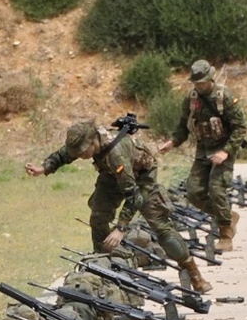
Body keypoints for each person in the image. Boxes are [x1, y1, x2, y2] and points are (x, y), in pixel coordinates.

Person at [30, 118, 212, 292]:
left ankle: (193, 273)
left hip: (142, 177)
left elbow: (134, 196)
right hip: (111, 175)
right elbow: (65, 153)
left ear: (94, 141)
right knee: (98, 217)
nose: (82, 156)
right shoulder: (86, 142)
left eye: (84, 152)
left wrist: (120, 228)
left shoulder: (116, 154)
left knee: (162, 229)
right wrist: (44, 167)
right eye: (79, 153)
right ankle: (104, 270)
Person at [159, 61, 247, 251]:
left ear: (210, 79)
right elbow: (183, 126)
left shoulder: (223, 96)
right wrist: (173, 142)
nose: (199, 86)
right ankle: (227, 216)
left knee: (216, 189)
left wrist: (226, 151)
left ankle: (225, 234)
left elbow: (240, 127)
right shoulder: (190, 100)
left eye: (202, 82)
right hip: (203, 150)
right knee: (194, 192)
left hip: (224, 149)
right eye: (196, 83)